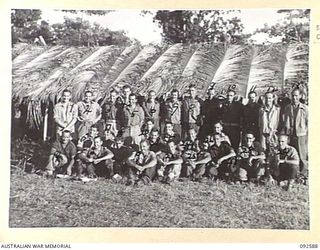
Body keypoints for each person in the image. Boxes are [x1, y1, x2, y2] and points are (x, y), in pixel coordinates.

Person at [283, 88, 308, 179]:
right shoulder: (288, 107)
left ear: (300, 96)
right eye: (293, 95)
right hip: (290, 134)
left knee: (302, 155)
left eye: (296, 95)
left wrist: (304, 132)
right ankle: (291, 174)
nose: (294, 97)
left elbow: (308, 122)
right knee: (291, 153)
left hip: (301, 135)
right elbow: (285, 120)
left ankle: (303, 175)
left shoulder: (304, 108)